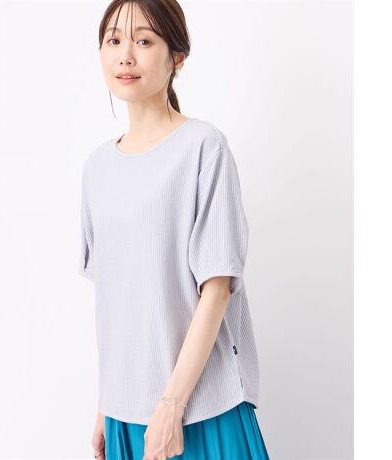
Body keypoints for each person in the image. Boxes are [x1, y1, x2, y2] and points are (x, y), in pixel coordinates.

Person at [79, 1, 271, 458]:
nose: (125, 55)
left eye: (144, 41)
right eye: (114, 40)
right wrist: (106, 403)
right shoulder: (97, 167)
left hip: (201, 407)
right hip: (127, 414)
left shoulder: (203, 147)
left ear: (177, 57)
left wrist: (170, 407)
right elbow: (117, 302)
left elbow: (217, 289)